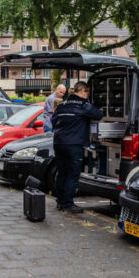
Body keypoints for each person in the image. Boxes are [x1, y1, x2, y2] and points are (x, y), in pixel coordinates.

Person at [52, 81, 103, 213]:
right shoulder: (83, 105)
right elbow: (98, 114)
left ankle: (60, 201)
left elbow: (54, 121)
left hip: (58, 143)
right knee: (73, 174)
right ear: (81, 91)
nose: (87, 95)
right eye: (87, 92)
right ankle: (68, 204)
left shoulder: (62, 104)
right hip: (73, 144)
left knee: (61, 172)